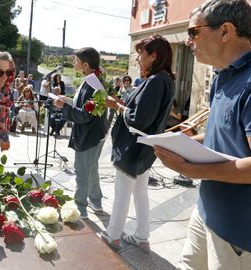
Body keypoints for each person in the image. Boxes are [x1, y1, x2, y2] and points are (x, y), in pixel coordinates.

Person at [154, 1, 251, 268]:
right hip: (208, 209)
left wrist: (193, 170)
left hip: (239, 231)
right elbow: (223, 136)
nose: (187, 41)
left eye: (193, 32)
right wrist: (180, 143)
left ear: (225, 31)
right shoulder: (222, 77)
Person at [98, 35, 175, 253]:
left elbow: (139, 118)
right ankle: (142, 236)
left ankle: (112, 235)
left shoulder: (155, 81)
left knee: (123, 191)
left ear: (154, 56)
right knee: (140, 191)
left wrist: (118, 107)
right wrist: (125, 105)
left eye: (142, 53)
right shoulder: (164, 79)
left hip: (134, 146)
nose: (138, 58)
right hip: (145, 147)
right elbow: (146, 113)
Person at [53, 47, 108, 216]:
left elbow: (85, 116)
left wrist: (64, 107)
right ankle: (96, 200)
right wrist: (66, 100)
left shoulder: (94, 85)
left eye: (75, 60)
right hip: (94, 133)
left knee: (82, 170)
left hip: (89, 135)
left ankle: (80, 207)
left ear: (85, 65)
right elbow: (84, 106)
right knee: (91, 168)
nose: (73, 62)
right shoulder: (91, 79)